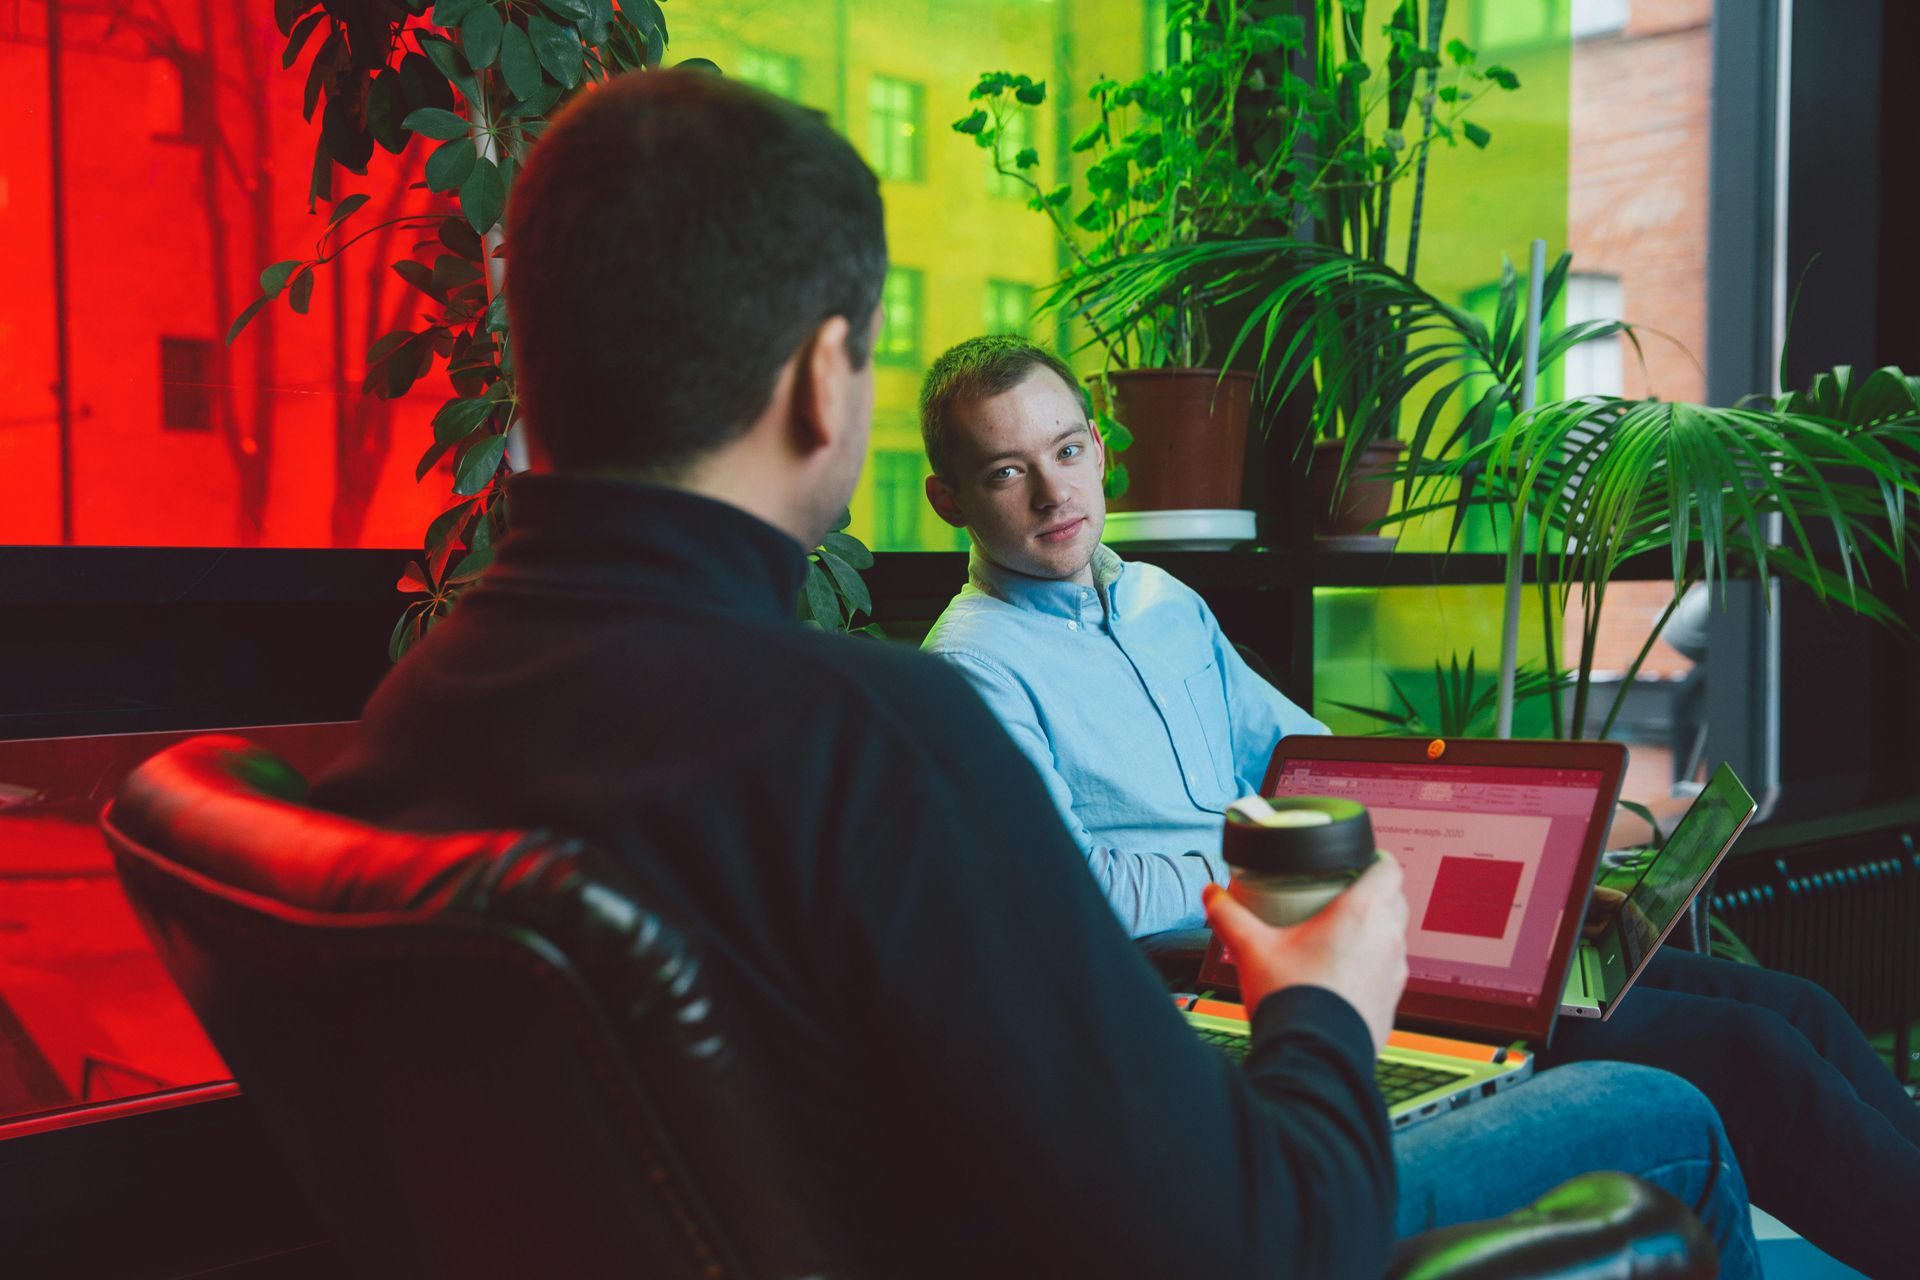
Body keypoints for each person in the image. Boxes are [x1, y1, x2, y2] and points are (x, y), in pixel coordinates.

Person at [310, 73, 1755, 1278]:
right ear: (827, 381)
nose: (1051, 489)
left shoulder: (397, 744)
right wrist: (1322, 996)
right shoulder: (884, 740)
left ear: (535, 346)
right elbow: (1256, 1237)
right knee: (1664, 1107)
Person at [918, 332, 1920, 1278]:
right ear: (950, 497)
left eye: (1067, 448)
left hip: (1336, 941)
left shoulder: (1160, 600)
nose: (1054, 490)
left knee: (1792, 1008)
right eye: (1008, 471)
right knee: (1746, 1056)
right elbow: (1076, 895)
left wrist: (1537, 864)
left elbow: (1315, 765)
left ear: (1099, 447)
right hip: (1230, 1000)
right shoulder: (971, 668)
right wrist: (1283, 868)